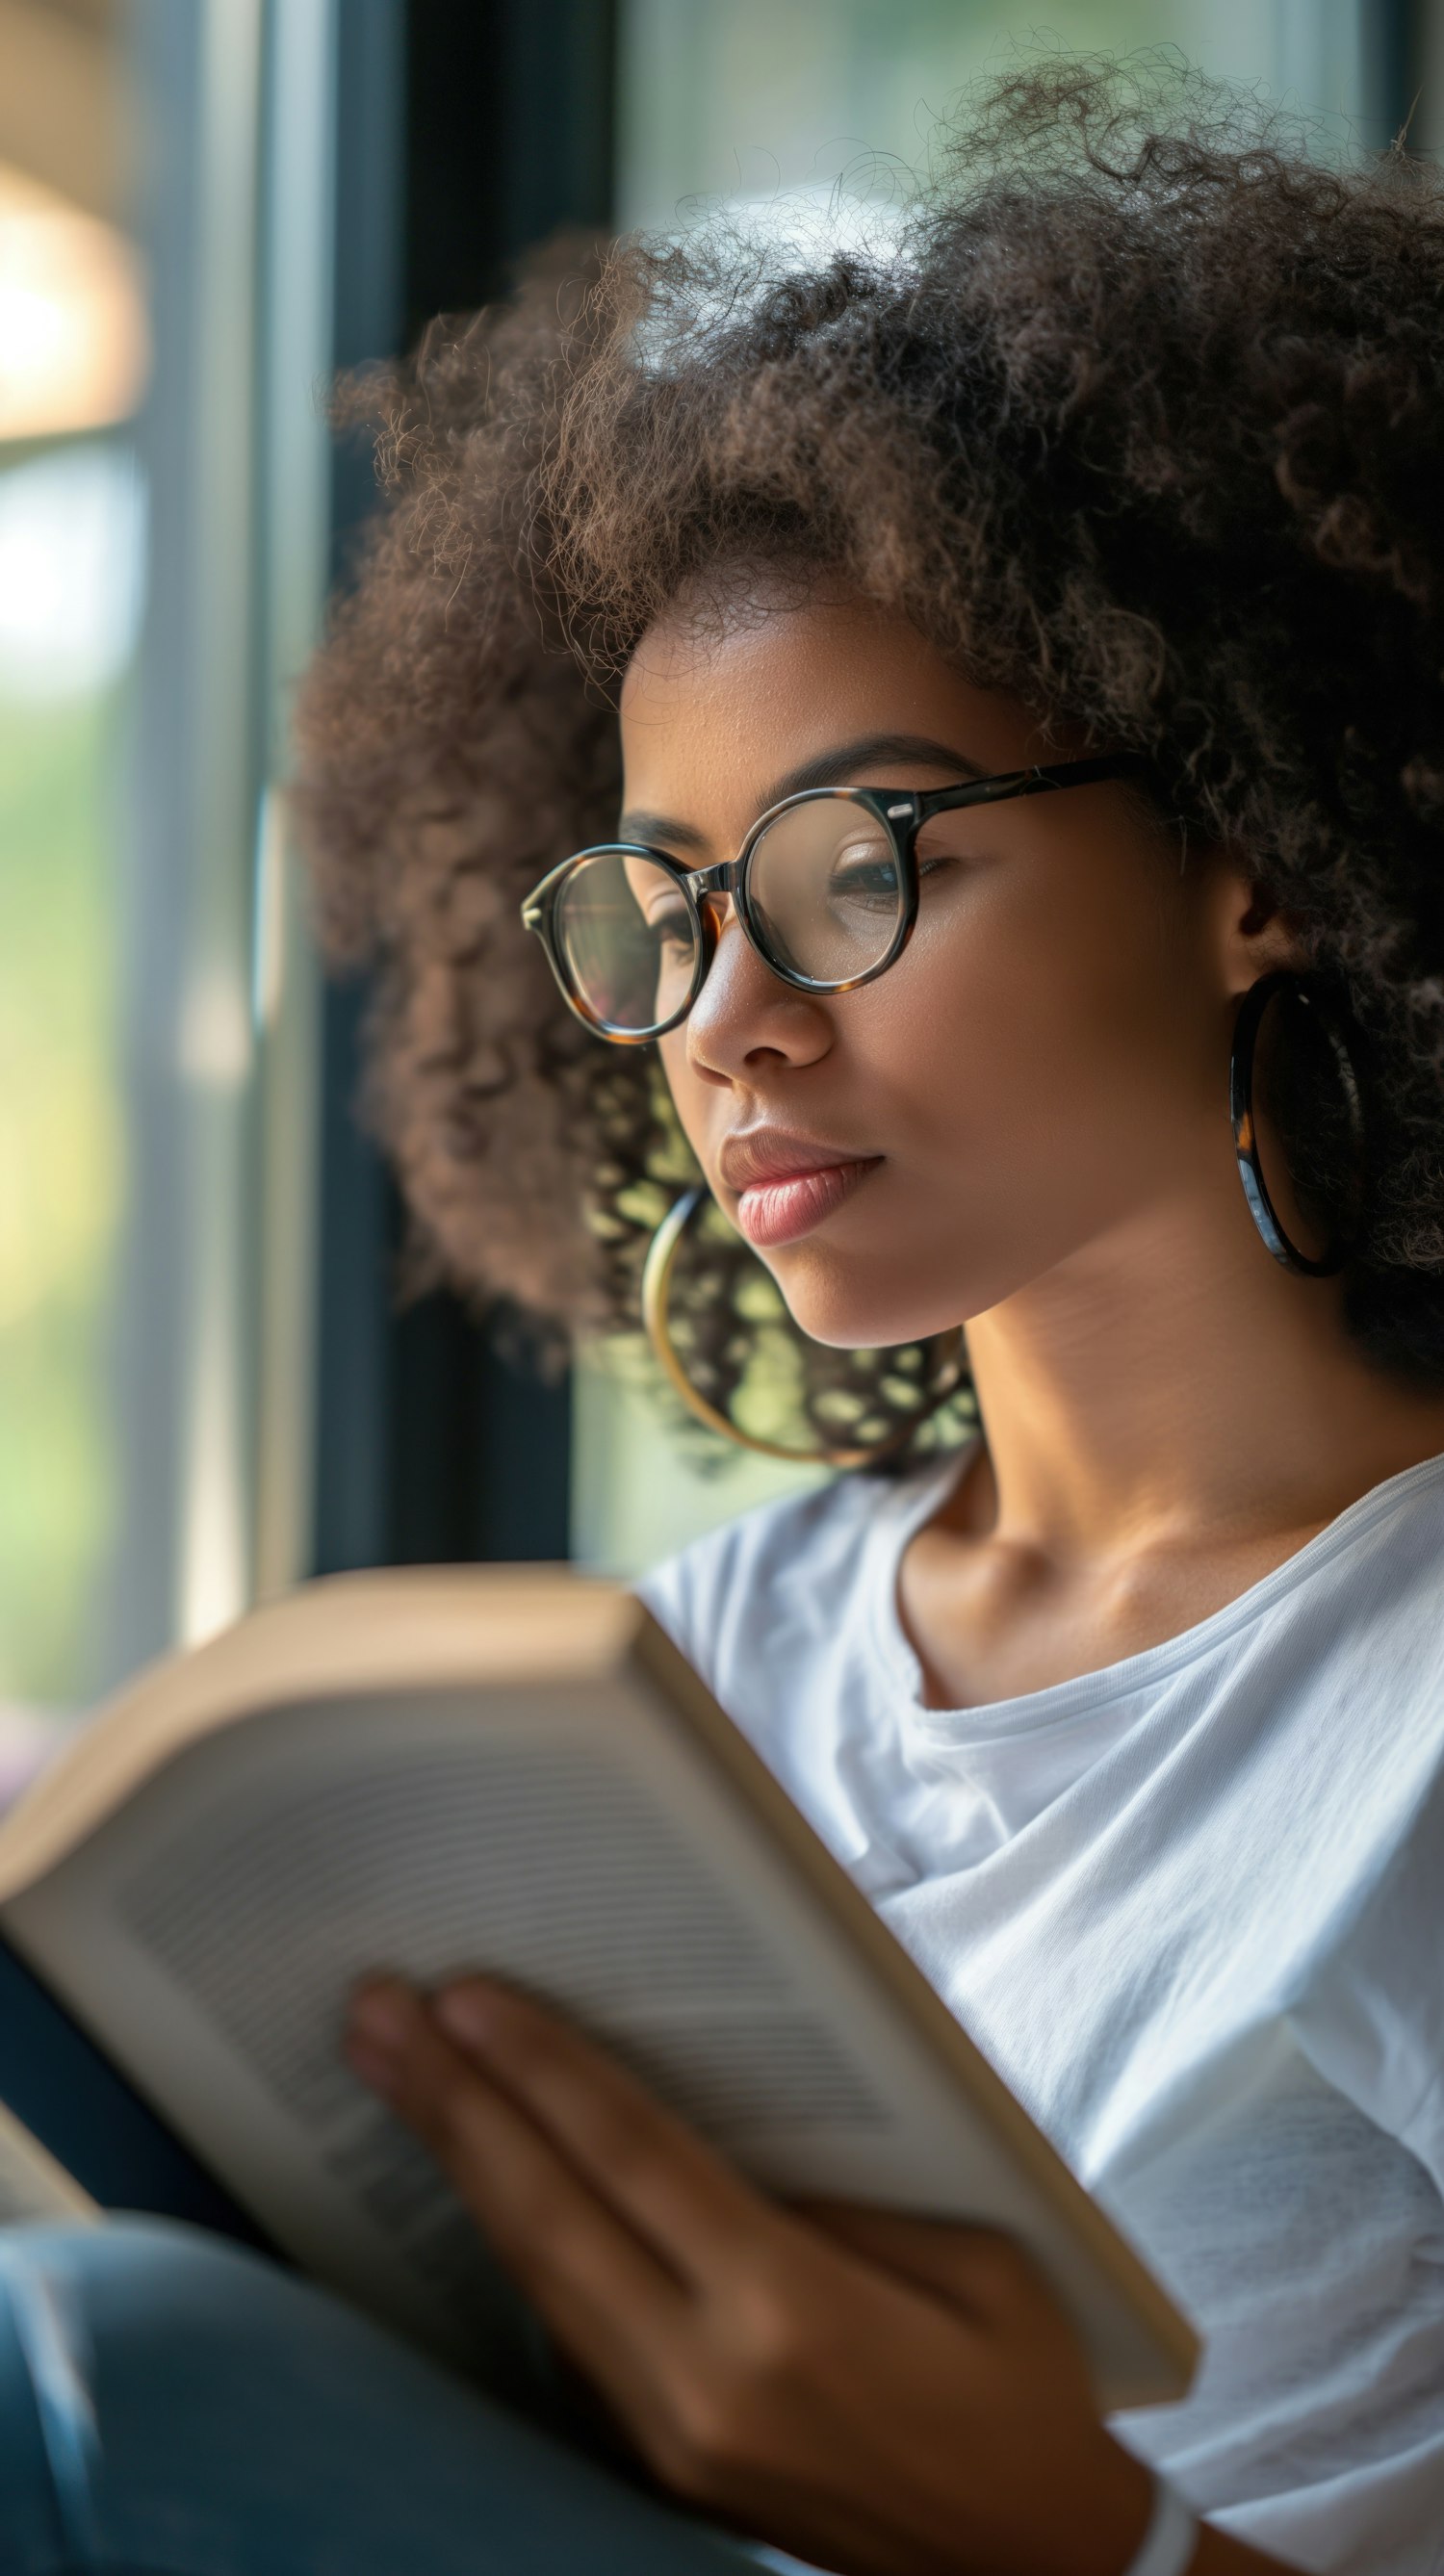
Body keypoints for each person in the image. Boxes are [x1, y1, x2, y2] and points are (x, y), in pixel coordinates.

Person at [5, 62, 1443, 2576]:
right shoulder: (709, 1662)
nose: (721, 1015)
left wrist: (1081, 2540)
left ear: (1253, 849)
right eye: (656, 905)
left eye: (850, 861)